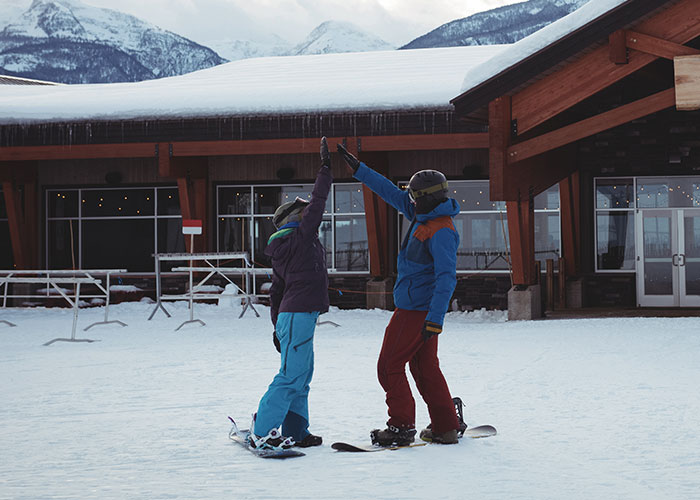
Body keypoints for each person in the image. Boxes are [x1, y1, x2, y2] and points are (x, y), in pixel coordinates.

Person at [337, 143, 462, 446]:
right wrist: (359, 170)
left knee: (388, 366)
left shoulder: (441, 229)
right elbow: (391, 193)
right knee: (424, 367)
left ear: (427, 198)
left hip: (416, 311)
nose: (409, 200)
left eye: (414, 196)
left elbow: (447, 278)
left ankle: (401, 426)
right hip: (417, 309)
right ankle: (445, 425)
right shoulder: (422, 214)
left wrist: (434, 319)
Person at [249, 137, 332, 451]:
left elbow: (276, 292)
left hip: (294, 316)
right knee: (291, 376)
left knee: (302, 374)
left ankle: (296, 430)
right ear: (295, 220)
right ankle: (262, 429)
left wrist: (276, 328)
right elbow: (319, 202)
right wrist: (325, 170)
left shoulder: (289, 245)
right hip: (298, 315)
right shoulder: (299, 237)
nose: (309, 214)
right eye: (303, 211)